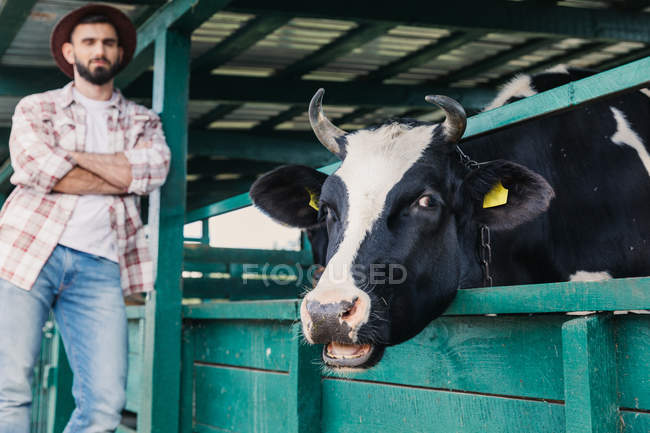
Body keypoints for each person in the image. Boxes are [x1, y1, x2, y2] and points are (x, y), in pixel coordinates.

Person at [0, 4, 171, 432]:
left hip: (101, 266)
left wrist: (71, 158)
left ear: (119, 54)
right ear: (69, 51)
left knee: (106, 404)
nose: (99, 50)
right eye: (89, 42)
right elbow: (37, 168)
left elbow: (151, 173)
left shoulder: (144, 121)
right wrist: (118, 173)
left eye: (108, 43)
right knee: (9, 390)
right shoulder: (36, 108)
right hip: (26, 256)